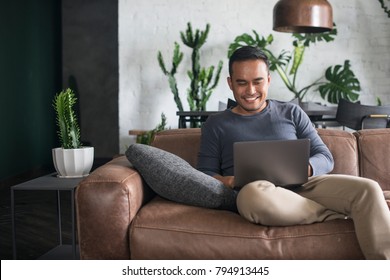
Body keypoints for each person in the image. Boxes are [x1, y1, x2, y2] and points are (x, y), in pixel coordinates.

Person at [197, 46, 390, 260]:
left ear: (268, 80)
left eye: (257, 81)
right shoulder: (216, 125)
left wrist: (304, 168)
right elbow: (204, 175)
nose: (250, 90)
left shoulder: (291, 112)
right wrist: (230, 181)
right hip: (259, 194)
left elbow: (325, 157)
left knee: (369, 188)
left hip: (304, 186)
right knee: (253, 197)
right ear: (230, 83)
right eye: (242, 83)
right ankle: (335, 215)